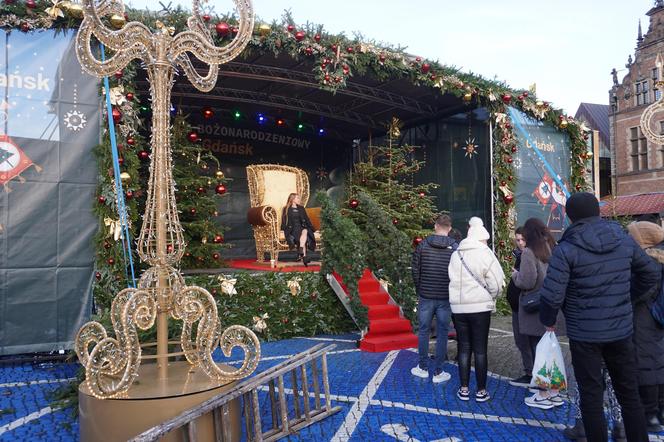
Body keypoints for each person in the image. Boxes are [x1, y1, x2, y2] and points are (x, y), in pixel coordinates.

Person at [539, 192, 660, 442]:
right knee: (629, 395)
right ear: (597, 212)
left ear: (570, 217)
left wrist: (548, 319)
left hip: (585, 335)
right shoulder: (623, 240)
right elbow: (650, 273)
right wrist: (626, 298)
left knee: (592, 397)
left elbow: (551, 296)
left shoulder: (567, 248)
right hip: (621, 331)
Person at [449, 217, 505, 402]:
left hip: (458, 308)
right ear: (483, 238)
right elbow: (497, 283)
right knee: (480, 349)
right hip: (480, 307)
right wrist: (492, 296)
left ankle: (463, 388)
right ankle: (481, 390)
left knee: (464, 347)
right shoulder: (485, 253)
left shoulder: (456, 253)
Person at [512, 218, 565, 409]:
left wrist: (515, 274)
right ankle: (555, 392)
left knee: (539, 351)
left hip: (535, 309)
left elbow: (527, 281)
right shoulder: (554, 247)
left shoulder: (529, 252)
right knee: (552, 350)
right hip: (552, 305)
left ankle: (543, 394)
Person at [411, 214, 457, 383]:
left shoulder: (422, 245)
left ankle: (422, 367)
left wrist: (420, 288)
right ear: (449, 228)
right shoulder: (456, 247)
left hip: (426, 295)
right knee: (443, 332)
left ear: (436, 226)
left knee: (423, 331)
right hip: (445, 297)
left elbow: (415, 270)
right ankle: (439, 371)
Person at [627, 221, 664, 432]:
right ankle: (660, 411)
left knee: (646, 365)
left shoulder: (649, 263)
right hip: (657, 319)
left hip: (644, 318)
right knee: (658, 363)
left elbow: (642, 291)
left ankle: (649, 415)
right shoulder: (660, 259)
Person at [507, 226, 532, 388]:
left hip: (526, 306)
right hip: (518, 306)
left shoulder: (529, 256)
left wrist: (515, 275)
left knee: (526, 341)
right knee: (522, 341)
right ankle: (530, 371)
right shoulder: (521, 255)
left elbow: (526, 281)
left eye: (523, 239)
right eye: (518, 240)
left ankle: (531, 373)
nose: (520, 243)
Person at [281, 193, 316, 266]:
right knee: (302, 237)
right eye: (297, 198)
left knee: (305, 231)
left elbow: (307, 219)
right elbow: (284, 221)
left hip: (302, 226)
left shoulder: (301, 208)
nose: (299, 200)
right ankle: (304, 257)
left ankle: (301, 250)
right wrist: (284, 229)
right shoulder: (286, 209)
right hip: (292, 228)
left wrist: (312, 228)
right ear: (293, 199)